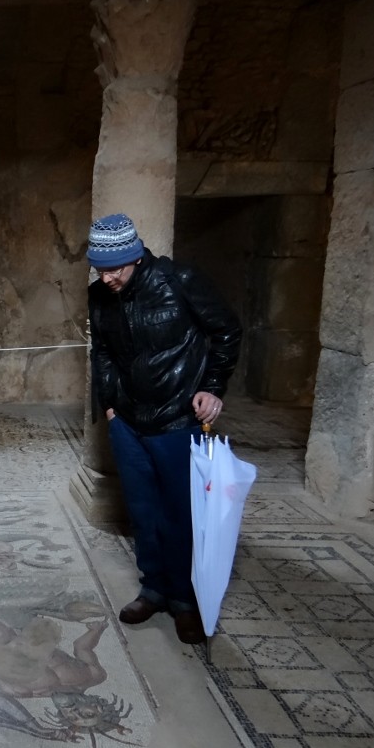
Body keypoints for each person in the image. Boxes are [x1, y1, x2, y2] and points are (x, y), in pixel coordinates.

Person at [86, 212, 242, 644]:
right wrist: (111, 405)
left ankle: (185, 599)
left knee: (182, 513)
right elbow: (101, 351)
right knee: (143, 511)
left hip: (177, 419)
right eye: (100, 269)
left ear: (135, 257)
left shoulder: (180, 281)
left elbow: (227, 330)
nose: (108, 277)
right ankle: (153, 588)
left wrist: (212, 387)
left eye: (114, 268)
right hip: (128, 423)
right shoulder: (99, 296)